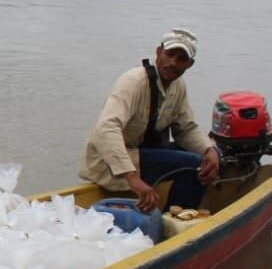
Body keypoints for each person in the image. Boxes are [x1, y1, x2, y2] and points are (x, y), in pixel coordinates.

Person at [78, 28, 221, 213]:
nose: (173, 62)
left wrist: (209, 150)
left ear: (190, 64)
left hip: (141, 153)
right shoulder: (134, 82)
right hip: (111, 162)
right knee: (194, 166)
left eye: (181, 59)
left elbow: (185, 129)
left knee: (204, 160)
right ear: (158, 52)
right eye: (170, 54)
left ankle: (176, 215)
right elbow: (106, 128)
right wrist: (133, 178)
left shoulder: (178, 87)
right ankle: (173, 221)